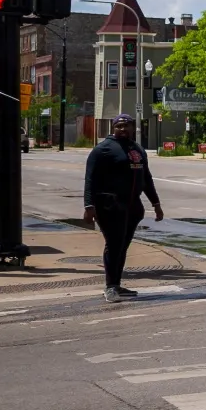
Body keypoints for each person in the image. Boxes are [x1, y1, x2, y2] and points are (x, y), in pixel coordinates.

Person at [83, 114, 162, 302]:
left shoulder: (137, 149)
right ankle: (110, 287)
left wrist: (156, 204)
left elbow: (146, 178)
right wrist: (89, 205)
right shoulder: (102, 150)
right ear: (113, 128)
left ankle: (116, 284)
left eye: (126, 126)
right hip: (109, 205)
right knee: (114, 245)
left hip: (132, 206)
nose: (123, 129)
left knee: (122, 246)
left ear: (132, 127)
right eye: (119, 126)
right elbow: (90, 179)